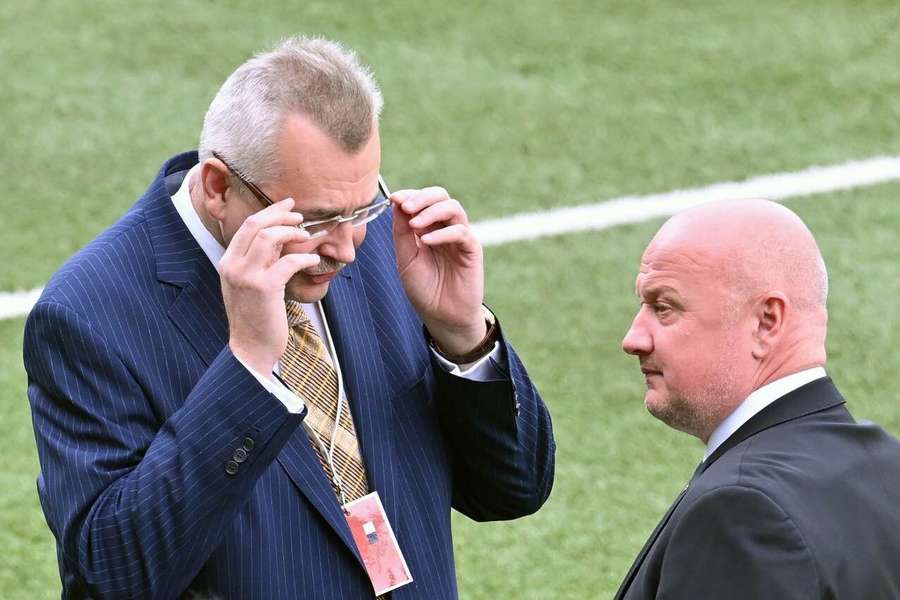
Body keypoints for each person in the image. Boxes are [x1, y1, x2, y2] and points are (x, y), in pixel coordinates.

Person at [24, 36, 554, 599]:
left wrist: (462, 334)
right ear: (218, 186)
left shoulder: (376, 240)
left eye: (363, 206)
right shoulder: (86, 314)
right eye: (316, 220)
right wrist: (247, 369)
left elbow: (514, 489)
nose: (347, 248)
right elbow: (115, 575)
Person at [615, 199, 900, 599]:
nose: (634, 338)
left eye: (664, 308)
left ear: (767, 321)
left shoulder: (742, 512)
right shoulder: (886, 465)